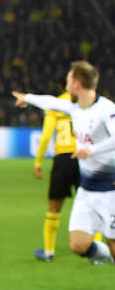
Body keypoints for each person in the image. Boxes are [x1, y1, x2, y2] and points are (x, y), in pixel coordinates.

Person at [13, 61, 115, 264]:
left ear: (77, 84)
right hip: (86, 191)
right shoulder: (75, 108)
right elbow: (51, 102)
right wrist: (27, 98)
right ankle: (104, 256)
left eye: (68, 79)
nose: (65, 83)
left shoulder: (107, 109)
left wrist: (91, 150)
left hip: (110, 190)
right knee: (78, 245)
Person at [31, 87, 83, 262]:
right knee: (91, 204)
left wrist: (38, 162)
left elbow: (46, 136)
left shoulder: (57, 104)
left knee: (54, 205)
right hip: (84, 157)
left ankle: (49, 251)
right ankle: (97, 252)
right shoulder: (87, 103)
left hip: (63, 159)